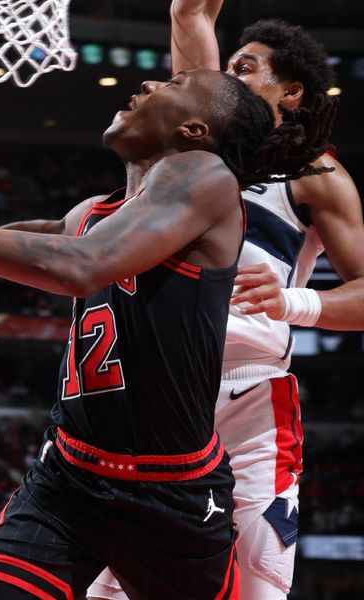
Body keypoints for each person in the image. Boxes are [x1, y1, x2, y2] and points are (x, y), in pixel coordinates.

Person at [0, 70, 329, 598]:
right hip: (70, 477)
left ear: (193, 130)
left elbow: (83, 265)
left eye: (173, 84)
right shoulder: (94, 214)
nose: (148, 83)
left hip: (170, 492)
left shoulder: (206, 177)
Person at [88, 7, 364, 600]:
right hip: (152, 392)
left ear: (291, 92)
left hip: (249, 398)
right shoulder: (195, 144)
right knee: (112, 590)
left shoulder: (316, 174)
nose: (227, 77)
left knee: (256, 589)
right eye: (227, 66)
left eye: (247, 68)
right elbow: (190, 15)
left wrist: (296, 302)